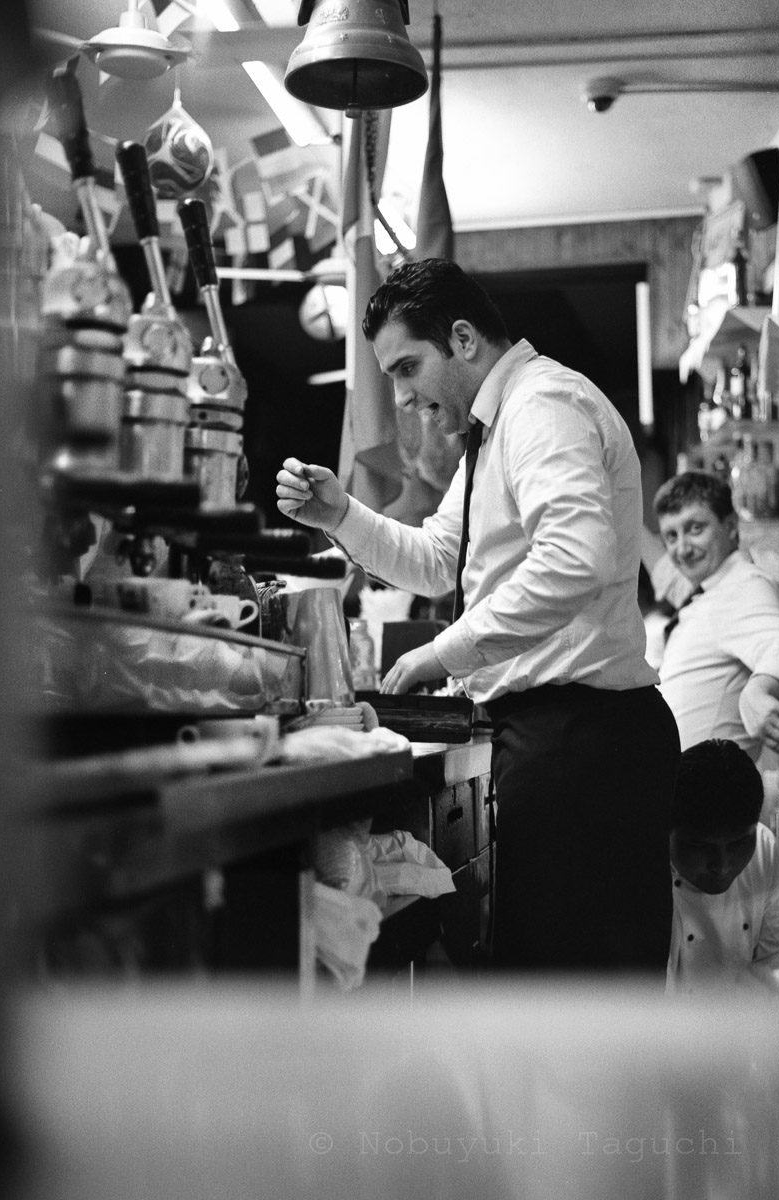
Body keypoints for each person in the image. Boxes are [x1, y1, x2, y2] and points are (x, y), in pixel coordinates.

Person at [275, 258, 678, 973]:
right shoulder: (493, 430)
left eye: (407, 367)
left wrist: (443, 653)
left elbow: (573, 561)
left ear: (463, 339)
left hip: (581, 743)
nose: (402, 396)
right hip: (555, 739)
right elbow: (439, 559)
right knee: (553, 991)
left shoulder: (541, 407)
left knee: (576, 1000)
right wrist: (340, 514)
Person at [647, 470, 779, 760]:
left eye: (695, 529)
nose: (682, 549)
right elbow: (665, 573)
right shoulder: (706, 588)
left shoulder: (743, 586)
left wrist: (757, 693)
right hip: (676, 788)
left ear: (731, 527)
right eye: (671, 536)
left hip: (705, 796)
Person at [668, 738, 779, 997]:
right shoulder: (639, 870)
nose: (722, 867)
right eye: (702, 847)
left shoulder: (764, 849)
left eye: (738, 844)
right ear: (668, 831)